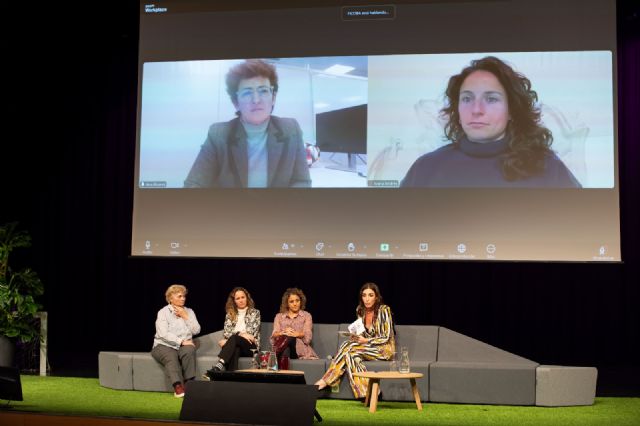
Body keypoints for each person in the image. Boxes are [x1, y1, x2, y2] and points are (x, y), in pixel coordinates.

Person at [400, 56, 581, 188]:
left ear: (512, 110)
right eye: (467, 99)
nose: (476, 110)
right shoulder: (425, 168)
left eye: (491, 99)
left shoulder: (547, 167)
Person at [184, 59, 311, 188]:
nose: (256, 100)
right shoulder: (218, 134)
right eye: (247, 92)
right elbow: (194, 184)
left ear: (273, 98)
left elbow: (301, 181)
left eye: (263, 91)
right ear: (236, 103)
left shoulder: (290, 130)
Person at [314, 283, 395, 399]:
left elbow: (385, 337)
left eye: (370, 295)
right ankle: (369, 392)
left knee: (348, 347)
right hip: (366, 348)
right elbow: (362, 333)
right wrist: (356, 337)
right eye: (364, 295)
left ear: (376, 297)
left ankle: (325, 381)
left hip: (383, 349)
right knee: (350, 353)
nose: (367, 299)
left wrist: (365, 341)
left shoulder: (384, 310)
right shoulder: (360, 310)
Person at [151, 284, 201, 398]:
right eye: (179, 296)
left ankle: (189, 383)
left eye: (184, 296)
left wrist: (186, 316)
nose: (183, 298)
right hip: (163, 345)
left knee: (189, 350)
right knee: (171, 356)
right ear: (171, 298)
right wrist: (181, 341)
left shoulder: (189, 311)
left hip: (184, 345)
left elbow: (197, 330)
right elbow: (163, 334)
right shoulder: (163, 312)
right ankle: (177, 385)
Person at [212, 287, 261, 371]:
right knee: (236, 349)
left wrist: (237, 335)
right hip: (235, 344)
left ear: (247, 298)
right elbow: (227, 333)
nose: (241, 300)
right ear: (234, 301)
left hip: (250, 347)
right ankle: (231, 379)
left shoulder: (255, 312)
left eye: (243, 297)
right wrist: (242, 334)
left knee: (234, 338)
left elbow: (252, 334)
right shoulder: (229, 314)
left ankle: (220, 363)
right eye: (238, 298)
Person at [271, 288, 319, 361]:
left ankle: (275, 354)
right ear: (287, 303)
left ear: (301, 301)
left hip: (299, 351)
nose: (295, 304)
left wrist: (297, 334)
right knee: (286, 348)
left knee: (289, 337)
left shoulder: (306, 316)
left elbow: (308, 337)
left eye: (297, 301)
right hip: (284, 349)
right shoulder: (279, 316)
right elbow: (274, 335)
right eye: (291, 301)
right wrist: (283, 332)